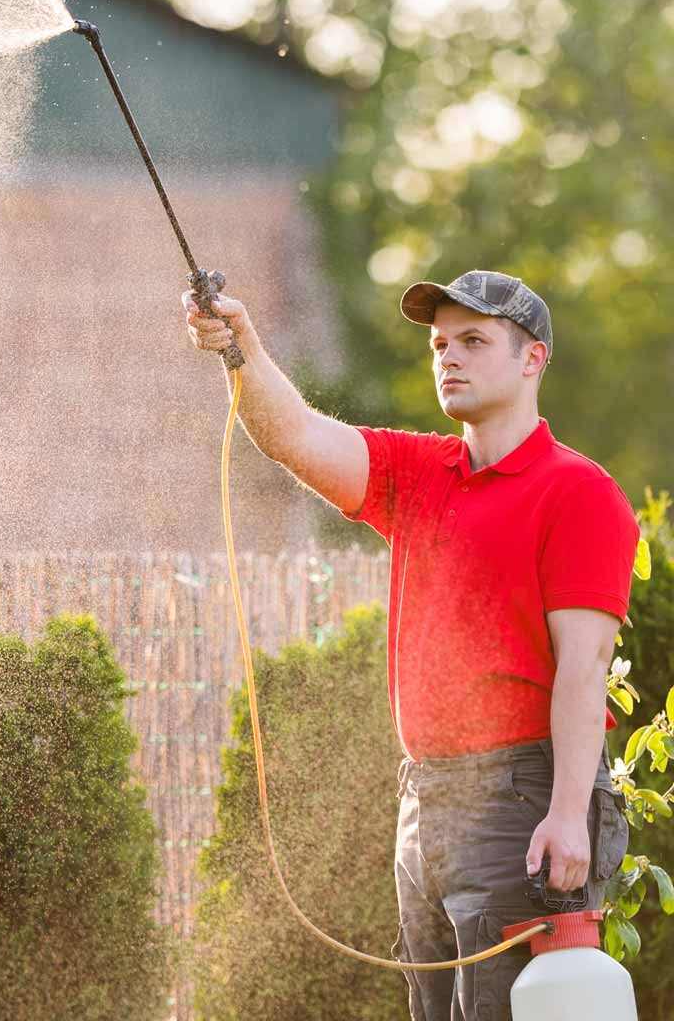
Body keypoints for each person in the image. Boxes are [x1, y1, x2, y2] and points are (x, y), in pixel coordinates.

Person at [183, 269, 637, 1021]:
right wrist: (243, 351)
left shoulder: (578, 492)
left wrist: (564, 815)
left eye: (472, 341)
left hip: (521, 803)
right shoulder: (420, 473)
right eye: (439, 344)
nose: (448, 358)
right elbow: (292, 434)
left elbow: (584, 671)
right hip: (425, 800)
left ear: (533, 359)